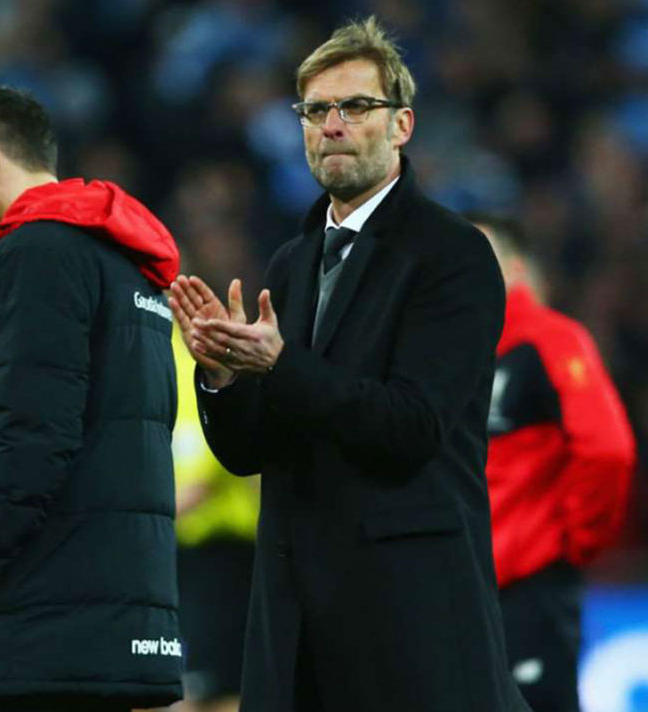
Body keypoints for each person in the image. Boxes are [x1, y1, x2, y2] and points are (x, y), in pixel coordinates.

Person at [169, 17, 529, 712]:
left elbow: (411, 426)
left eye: (356, 106)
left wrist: (281, 365)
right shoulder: (292, 262)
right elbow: (251, 453)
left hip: (405, 619)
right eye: (315, 111)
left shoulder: (452, 255)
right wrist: (222, 375)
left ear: (402, 125)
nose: (332, 125)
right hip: (294, 623)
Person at [0, 85, 183, 712]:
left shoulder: (37, 250)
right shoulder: (131, 262)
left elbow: (31, 437)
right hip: (118, 612)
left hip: (39, 625)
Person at [470, 213, 636, 712]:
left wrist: (576, 540)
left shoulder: (549, 340)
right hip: (455, 591)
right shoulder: (440, 352)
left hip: (527, 589)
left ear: (516, 269)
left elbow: (607, 450)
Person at [172, 320, 259, 712]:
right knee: (194, 685)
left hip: (222, 549)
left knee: (216, 687)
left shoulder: (196, 349)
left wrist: (167, 507)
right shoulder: (157, 348)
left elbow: (217, 442)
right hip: (185, 548)